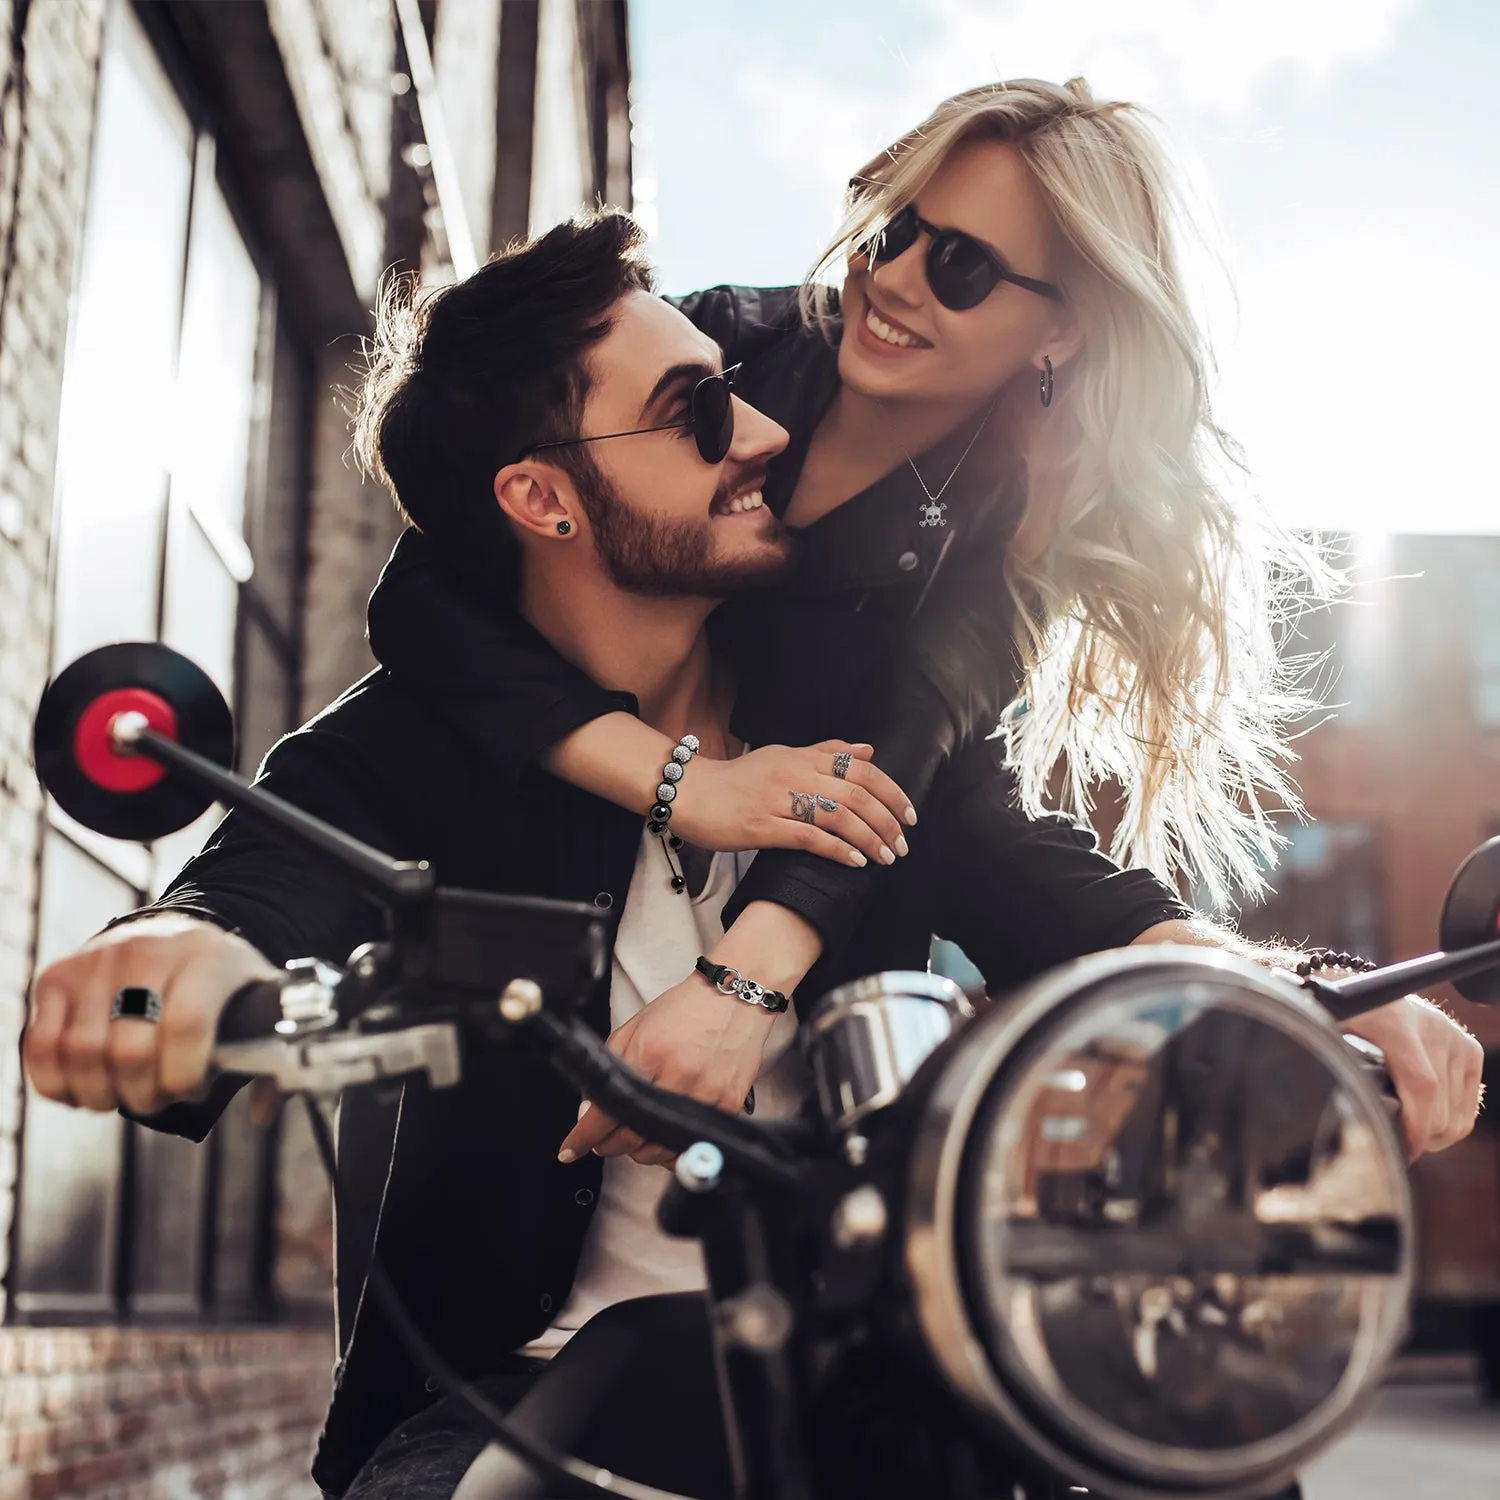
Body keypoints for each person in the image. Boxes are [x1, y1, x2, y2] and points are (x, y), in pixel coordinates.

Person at [22, 214, 1205, 1499]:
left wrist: (1272, 978)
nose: (763, 436)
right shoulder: (413, 743)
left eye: (740, 395)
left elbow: (1052, 882)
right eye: (699, 415)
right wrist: (153, 974)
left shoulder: (854, 705)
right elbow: (240, 895)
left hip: (864, 1387)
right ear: (541, 499)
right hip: (514, 1399)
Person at [362, 77, 1484, 1167]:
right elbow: (425, 597)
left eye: (962, 265)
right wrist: (677, 782)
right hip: (536, 883)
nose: (891, 279)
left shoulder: (1009, 542)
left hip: (789, 1025)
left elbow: (927, 787)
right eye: (897, 228)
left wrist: (1290, 988)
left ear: (1063, 335)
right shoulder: (719, 349)